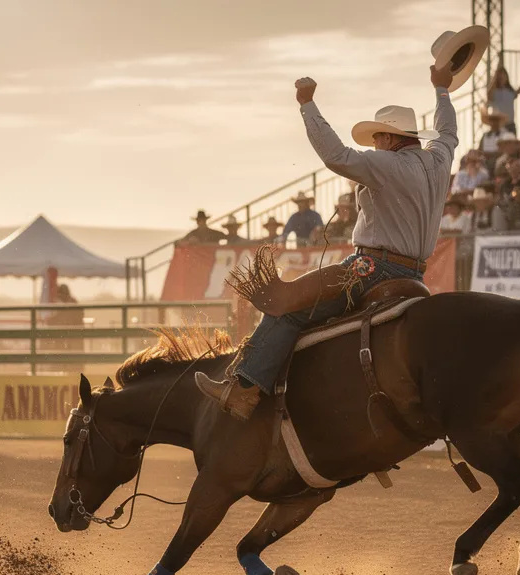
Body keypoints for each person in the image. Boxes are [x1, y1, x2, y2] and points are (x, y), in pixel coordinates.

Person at [195, 64, 459, 418]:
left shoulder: (387, 164)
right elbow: (448, 130)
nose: (376, 145)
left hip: (372, 269)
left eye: (379, 138)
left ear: (392, 139)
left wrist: (307, 104)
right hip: (413, 276)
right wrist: (442, 89)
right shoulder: (439, 159)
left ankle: (247, 388)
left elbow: (336, 156)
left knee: (287, 306)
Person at [486, 67, 520, 132]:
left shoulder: (510, 91)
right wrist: (494, 79)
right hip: (499, 125)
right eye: (500, 77)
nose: (502, 79)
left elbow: (518, 92)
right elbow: (489, 95)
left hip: (510, 124)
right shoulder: (494, 92)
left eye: (503, 76)